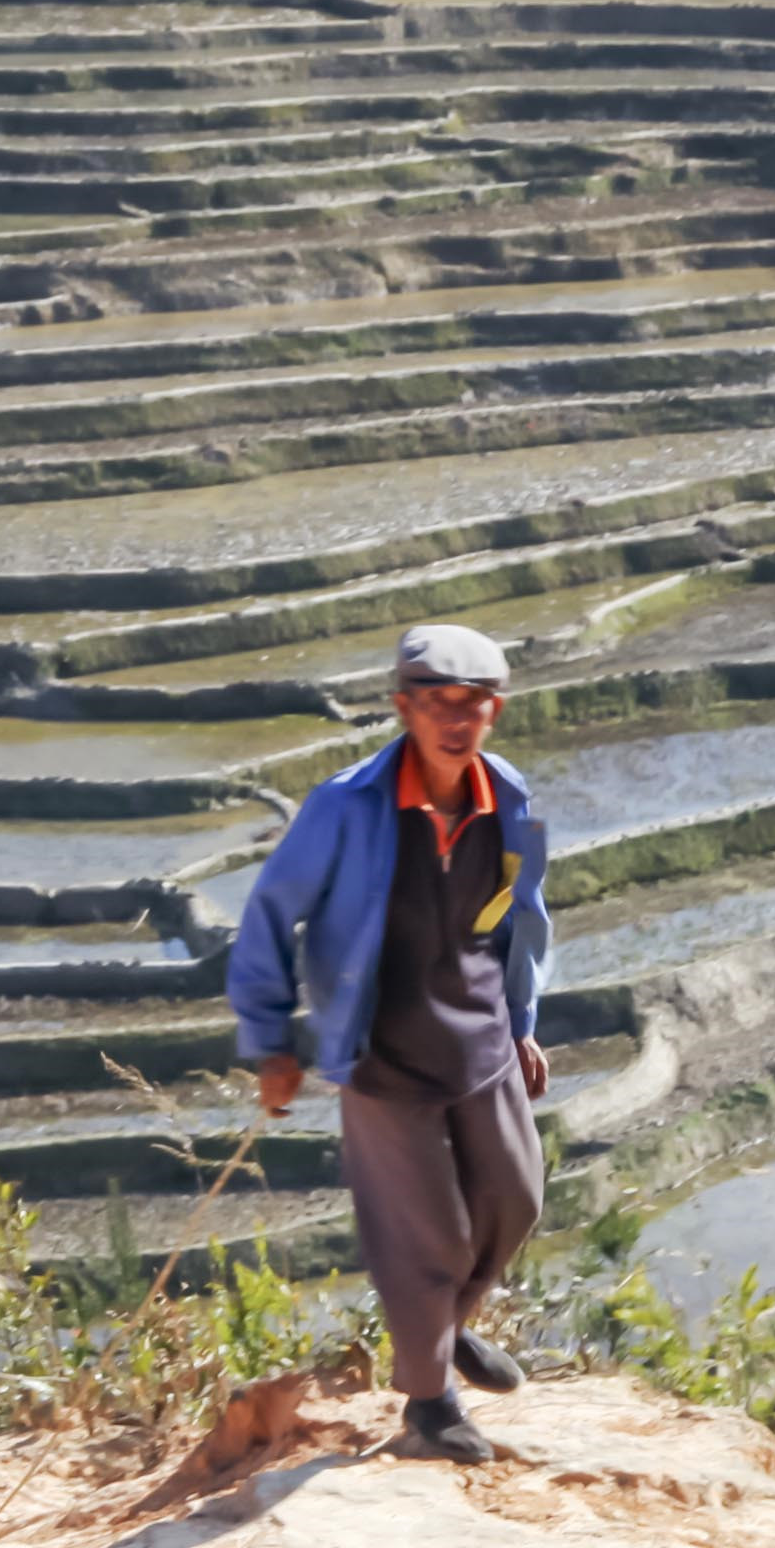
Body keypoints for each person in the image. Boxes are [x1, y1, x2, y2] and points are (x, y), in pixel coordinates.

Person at [228, 624, 554, 1466]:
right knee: (425, 1235)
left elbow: (524, 920)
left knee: (516, 1200)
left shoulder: (510, 799)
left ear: (496, 711)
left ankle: (444, 1332)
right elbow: (270, 914)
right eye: (438, 702)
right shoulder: (348, 806)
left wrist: (523, 1024)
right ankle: (429, 1403)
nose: (457, 719)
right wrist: (272, 1041)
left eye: (474, 704)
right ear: (404, 708)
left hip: (479, 1035)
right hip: (382, 1049)